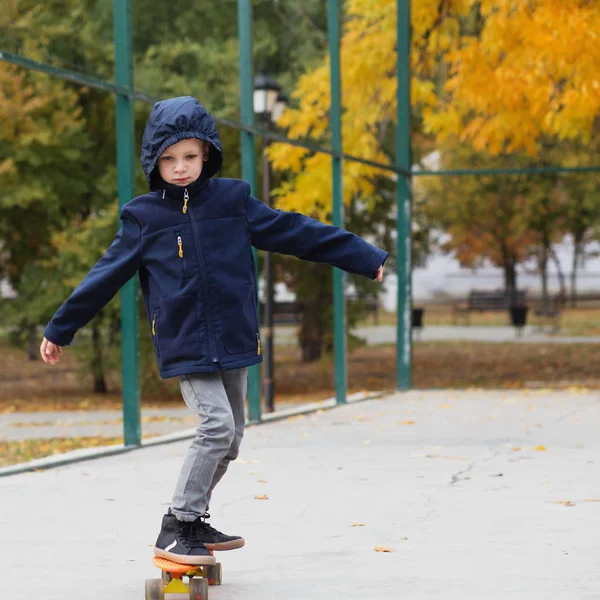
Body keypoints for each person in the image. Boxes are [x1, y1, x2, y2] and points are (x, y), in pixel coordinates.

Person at [40, 96, 388, 566]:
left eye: (189, 156)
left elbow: (297, 232)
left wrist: (363, 257)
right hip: (185, 341)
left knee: (232, 438)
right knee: (216, 424)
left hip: (235, 338)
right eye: (168, 159)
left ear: (206, 155)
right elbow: (104, 275)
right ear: (154, 161)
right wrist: (62, 328)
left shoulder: (233, 201)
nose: (180, 168)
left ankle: (194, 519)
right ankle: (176, 525)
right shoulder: (144, 218)